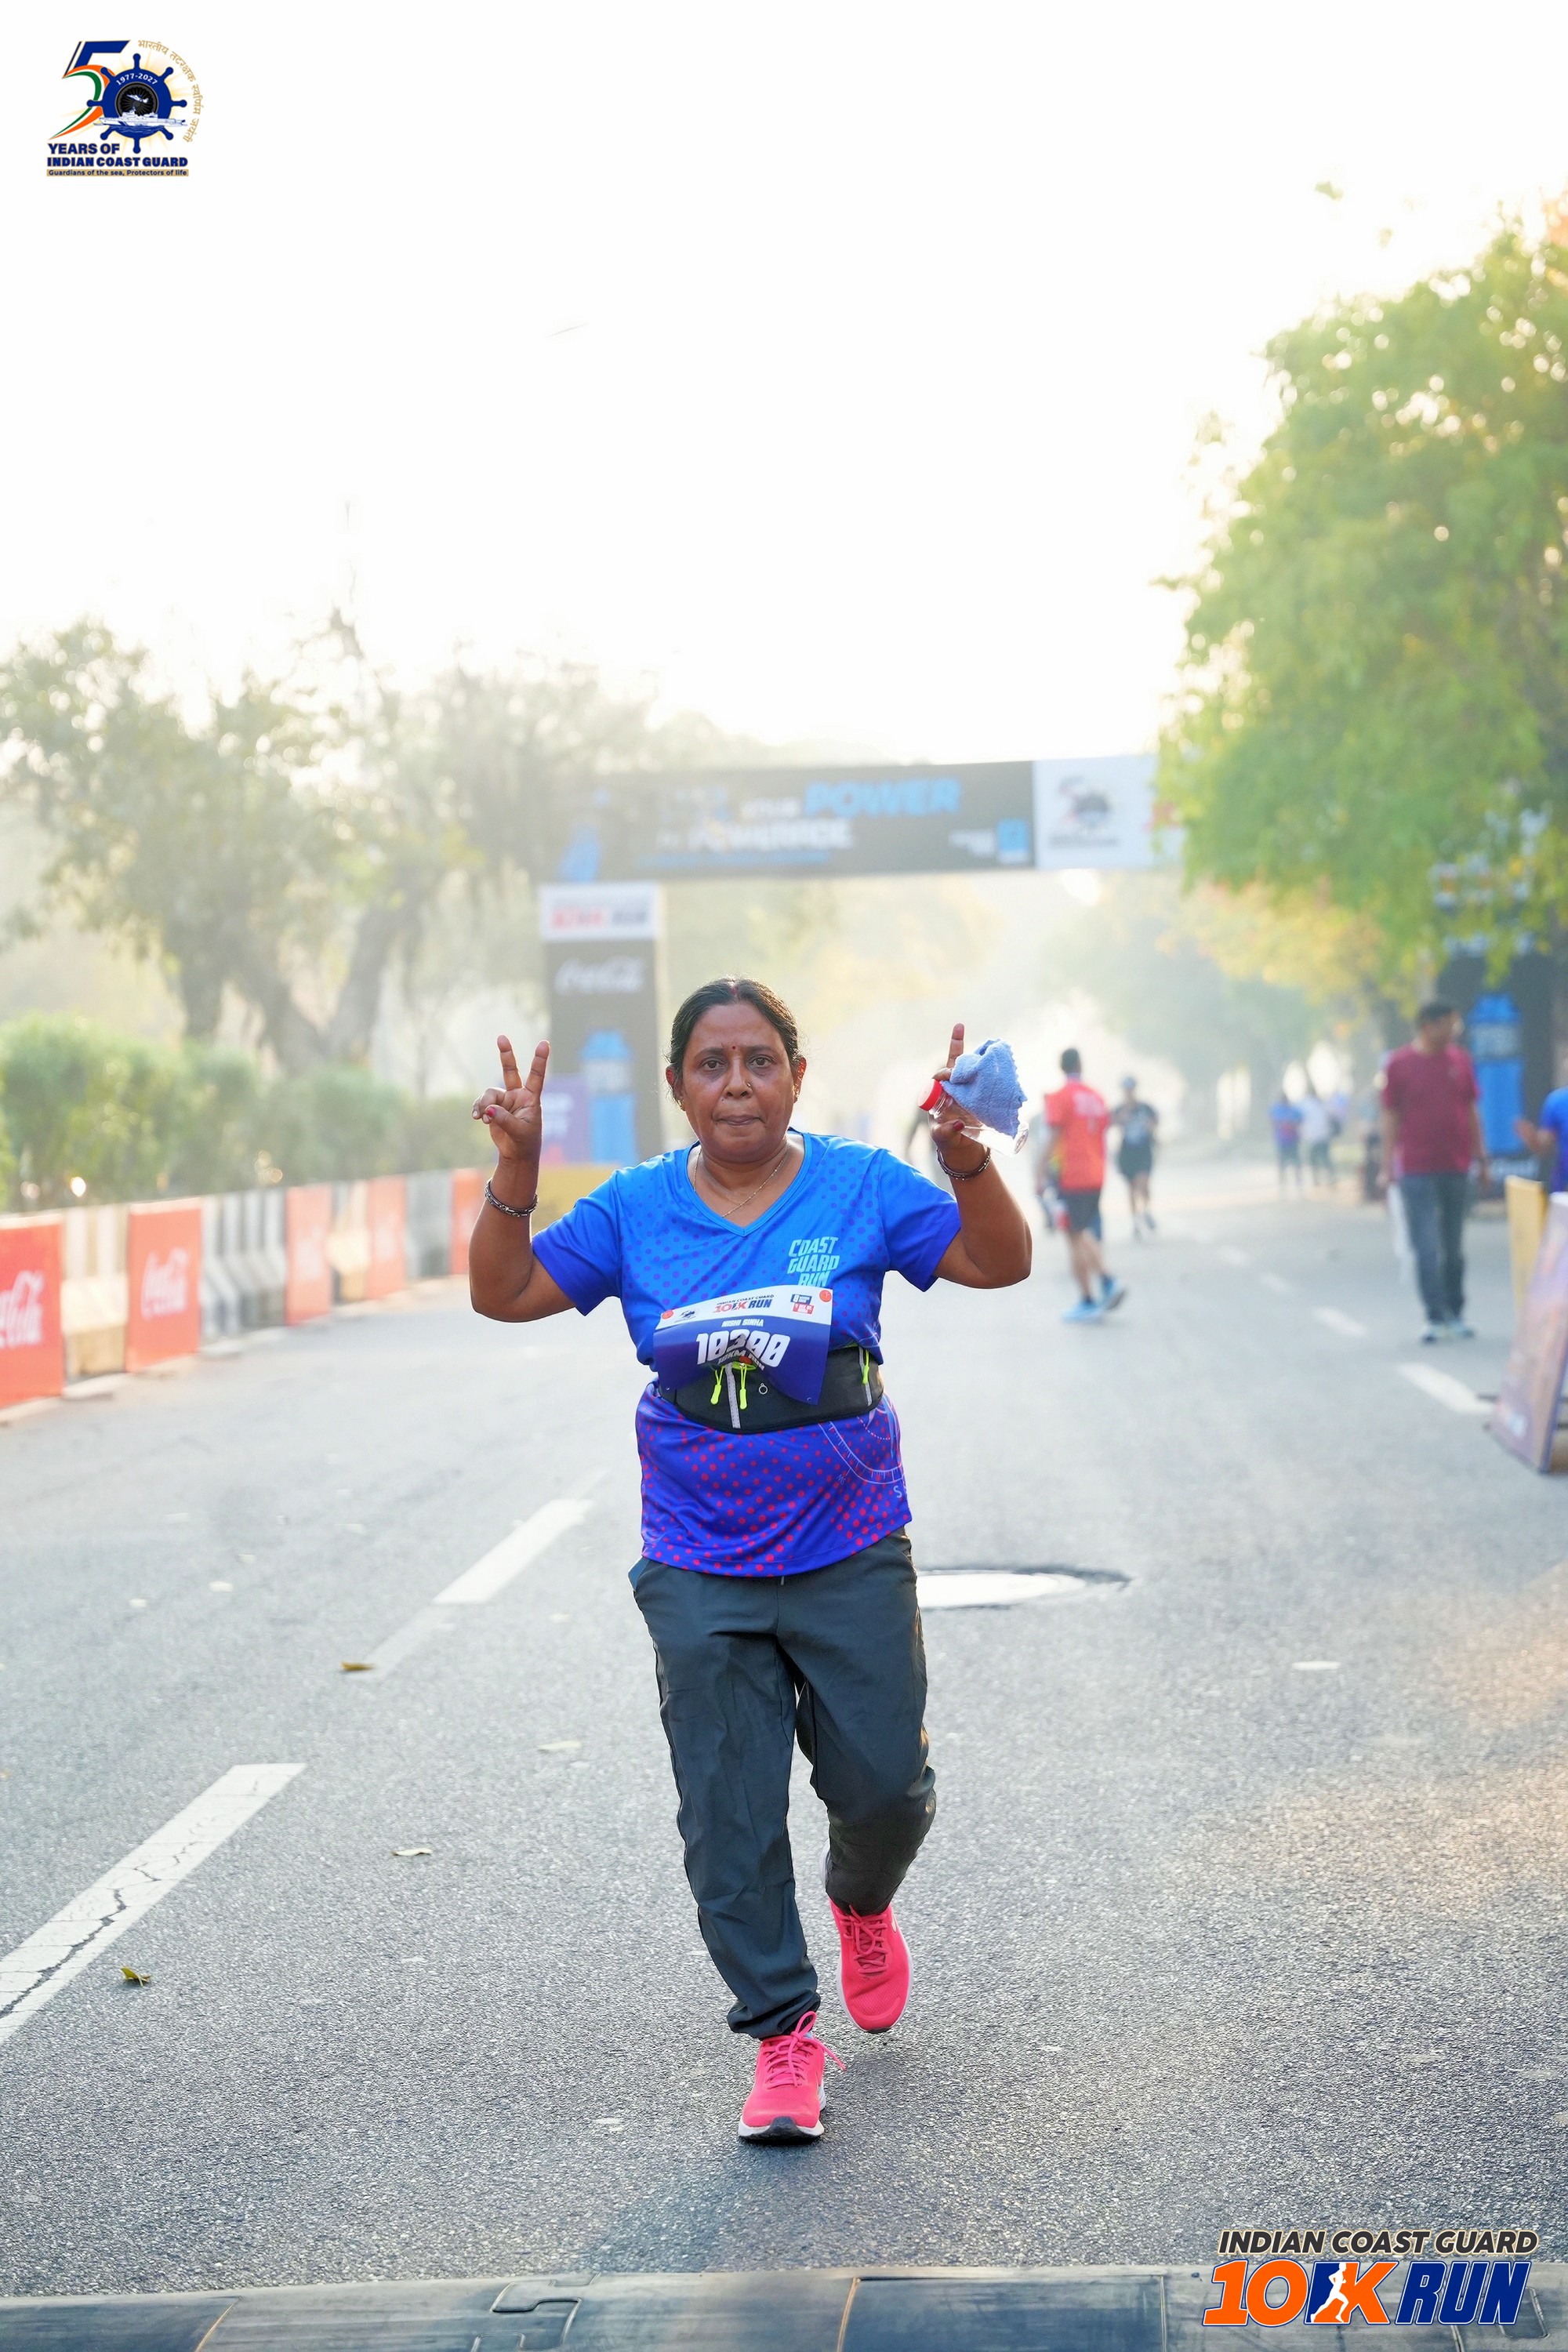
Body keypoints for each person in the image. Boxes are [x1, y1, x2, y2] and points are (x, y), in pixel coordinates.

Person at [468, 980, 1031, 2147]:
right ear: (678, 1087)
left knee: (885, 1789)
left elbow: (1000, 1262)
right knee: (727, 1810)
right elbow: (504, 1291)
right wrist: (518, 1168)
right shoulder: (634, 1209)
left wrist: (965, 1159)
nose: (737, 1085)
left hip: (849, 1541)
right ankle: (783, 2036)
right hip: (699, 1557)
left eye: (760, 1061)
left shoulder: (860, 1185)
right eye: (713, 1065)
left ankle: (861, 1899)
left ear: (796, 1077)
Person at [1380, 999, 1486, 1344]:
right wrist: (1387, 1166)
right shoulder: (1400, 1064)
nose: (1454, 1031)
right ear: (1428, 1026)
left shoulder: (1460, 1061)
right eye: (1449, 1025)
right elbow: (1391, 1116)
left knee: (1453, 1246)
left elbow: (1470, 1111)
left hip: (1456, 1164)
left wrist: (1481, 1157)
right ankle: (1433, 1316)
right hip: (1416, 1168)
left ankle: (1456, 1311)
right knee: (1426, 1245)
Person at [1039, 1048, 1126, 1322]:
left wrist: (1039, 1172)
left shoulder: (1060, 1097)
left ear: (1061, 1067)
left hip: (1071, 1174)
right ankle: (1091, 1295)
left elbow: (1053, 1135)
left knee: (1075, 1231)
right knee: (1078, 1231)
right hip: (1095, 1173)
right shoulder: (1097, 1097)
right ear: (1080, 1065)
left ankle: (1104, 1284)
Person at [1109, 1076, 1158, 1236]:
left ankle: (1147, 1210)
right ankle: (1135, 1219)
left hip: (1143, 1150)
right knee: (1131, 1187)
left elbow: (1155, 1122)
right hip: (1127, 1152)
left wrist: (1150, 1125)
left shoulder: (1145, 1108)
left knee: (1144, 1182)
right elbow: (1110, 1123)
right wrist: (1121, 1118)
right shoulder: (1119, 1109)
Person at [1298, 1084, 1335, 1187]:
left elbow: (1299, 1120)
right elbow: (1331, 1115)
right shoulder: (1322, 1103)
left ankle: (1316, 1180)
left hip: (1312, 1137)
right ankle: (1330, 1178)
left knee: (1314, 1159)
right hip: (1323, 1135)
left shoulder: (1304, 1104)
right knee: (1325, 1158)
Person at [1269, 1091, 1303, 1189]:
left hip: (1291, 1139)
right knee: (1284, 1162)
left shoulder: (1291, 1109)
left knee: (1293, 1161)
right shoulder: (1279, 1109)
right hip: (1283, 1140)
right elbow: (1272, 1122)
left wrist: (1291, 1125)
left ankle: (1296, 1179)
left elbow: (1300, 1120)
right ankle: (1285, 1181)